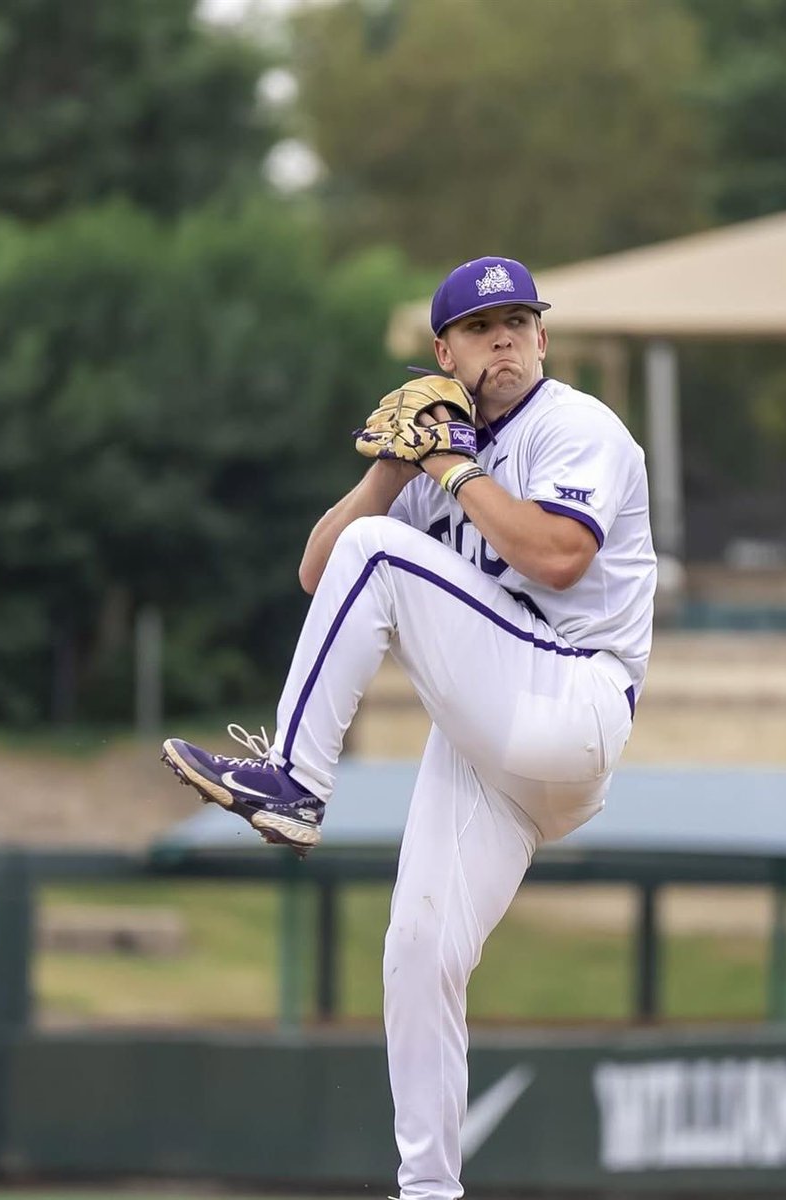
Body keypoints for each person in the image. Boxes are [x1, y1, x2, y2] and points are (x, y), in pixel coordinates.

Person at [161, 255, 657, 1200]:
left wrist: (450, 468)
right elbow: (318, 573)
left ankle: (296, 780)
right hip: (494, 748)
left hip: (574, 705)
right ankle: (428, 1190)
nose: (503, 340)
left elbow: (558, 556)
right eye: (480, 329)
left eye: (518, 323)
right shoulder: (436, 460)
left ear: (543, 338)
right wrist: (394, 467)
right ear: (444, 354)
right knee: (418, 950)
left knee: (382, 555)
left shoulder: (577, 426)